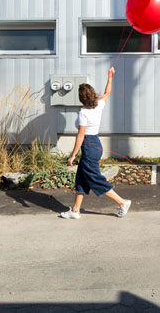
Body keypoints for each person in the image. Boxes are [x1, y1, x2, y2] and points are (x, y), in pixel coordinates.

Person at [59, 67, 131, 219]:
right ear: (92, 94)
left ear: (81, 98)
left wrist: (72, 156)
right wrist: (110, 77)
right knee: (81, 178)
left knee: (95, 179)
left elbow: (80, 136)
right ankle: (75, 211)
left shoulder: (84, 113)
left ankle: (122, 202)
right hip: (95, 144)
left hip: (89, 145)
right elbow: (108, 92)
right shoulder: (99, 104)